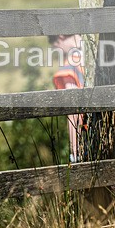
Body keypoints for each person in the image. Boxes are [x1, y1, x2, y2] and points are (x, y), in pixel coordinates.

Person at [49, 34, 86, 162]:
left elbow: (73, 112)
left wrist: (75, 152)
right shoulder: (100, 51)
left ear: (59, 38)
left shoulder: (70, 64)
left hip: (88, 132)